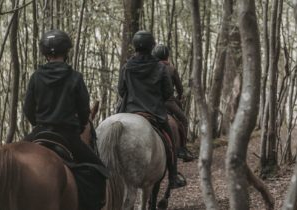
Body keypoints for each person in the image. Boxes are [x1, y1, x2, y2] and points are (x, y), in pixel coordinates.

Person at [23, 29, 106, 210]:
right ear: (66, 52)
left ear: (45, 53)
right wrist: (80, 125)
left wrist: (39, 125)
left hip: (40, 131)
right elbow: (84, 112)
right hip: (67, 135)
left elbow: (27, 109)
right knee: (99, 170)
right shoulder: (75, 77)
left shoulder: (36, 77)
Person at [117, 30, 186, 189]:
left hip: (129, 110)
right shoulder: (160, 68)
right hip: (155, 112)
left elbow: (121, 90)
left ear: (135, 47)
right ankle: (174, 176)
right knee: (170, 140)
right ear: (151, 46)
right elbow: (168, 92)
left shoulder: (127, 66)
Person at [152, 44, 196, 162]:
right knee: (184, 120)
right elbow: (180, 88)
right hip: (168, 102)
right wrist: (179, 97)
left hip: (151, 102)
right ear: (167, 55)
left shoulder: (151, 67)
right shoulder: (171, 68)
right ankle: (182, 149)